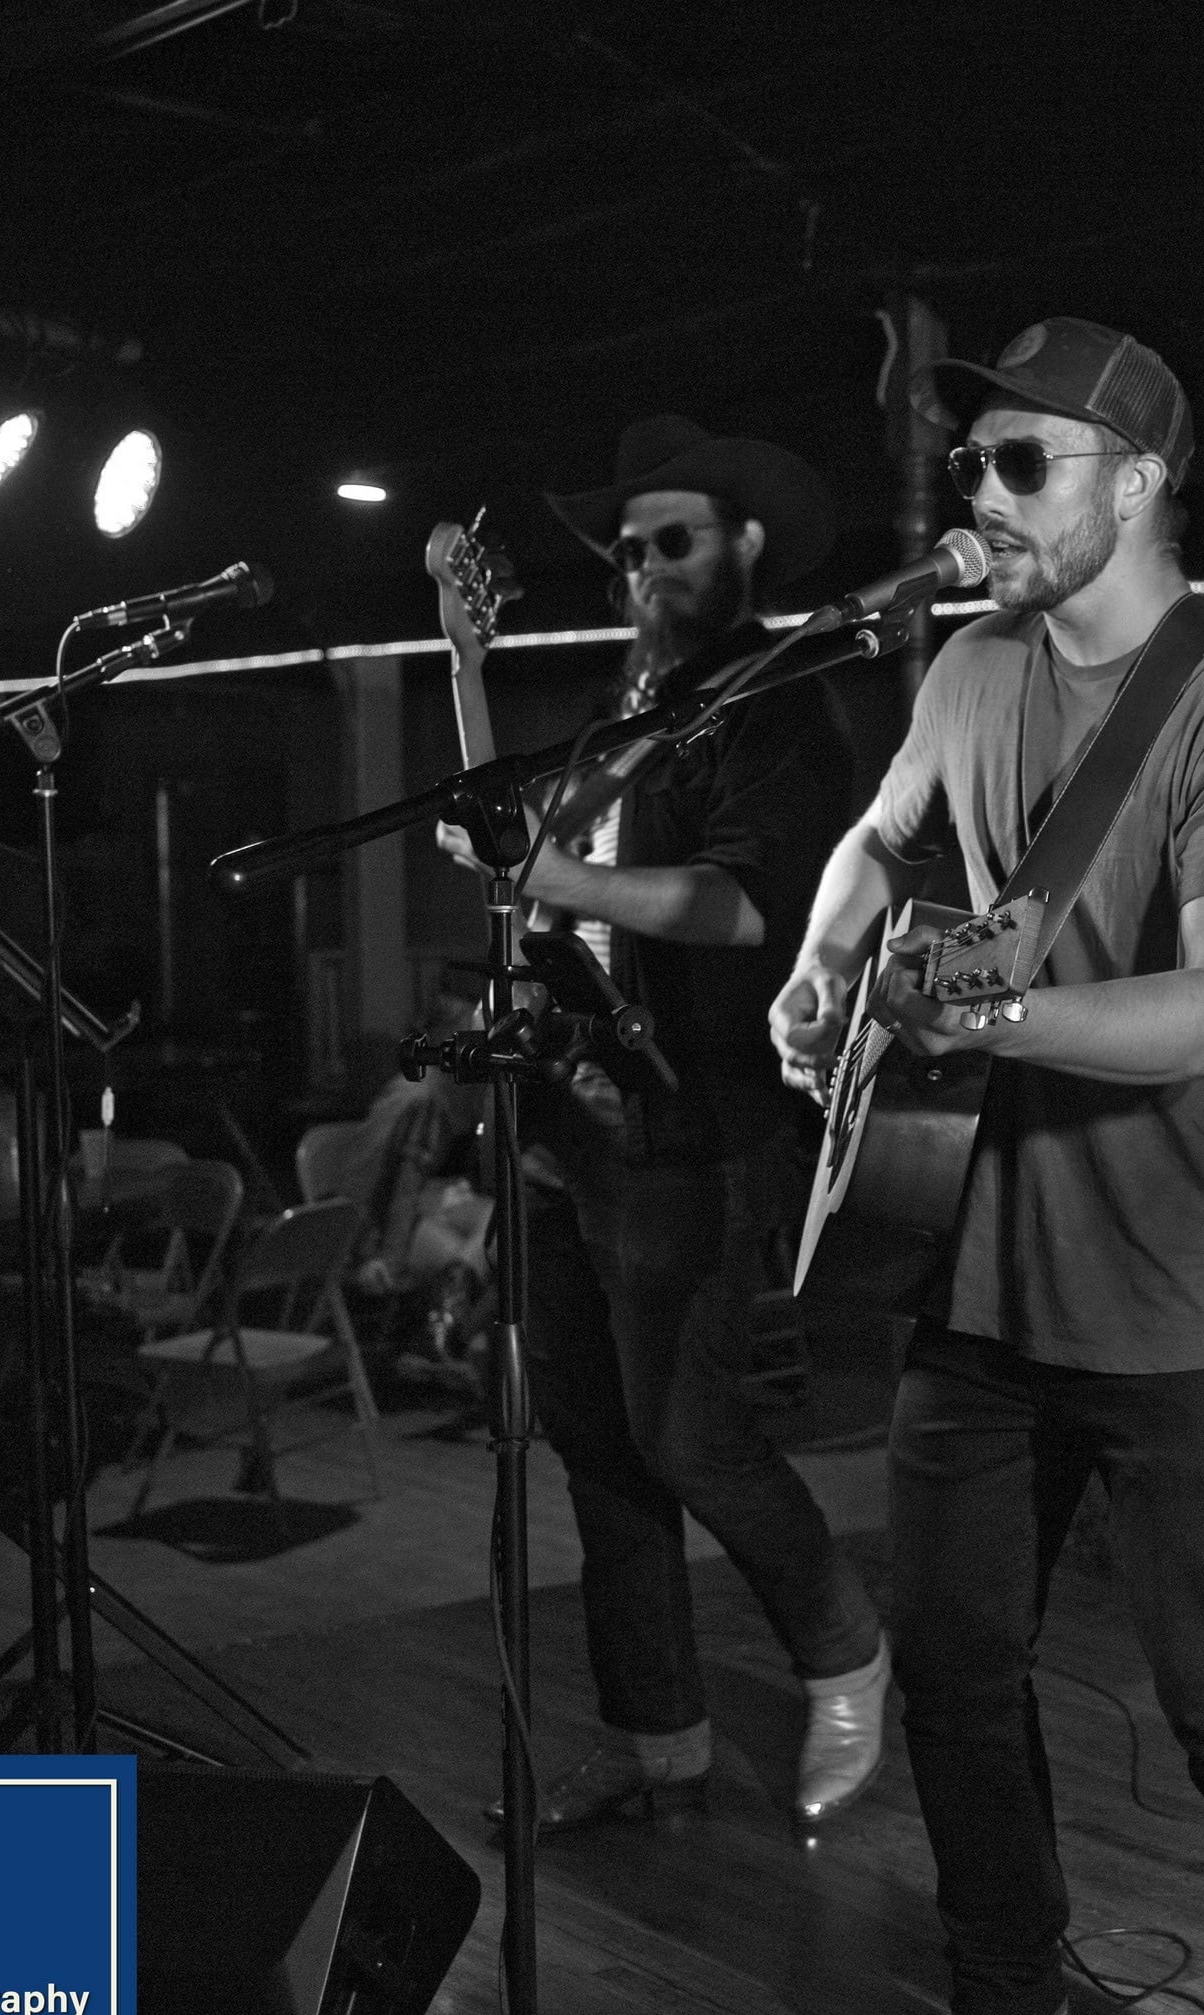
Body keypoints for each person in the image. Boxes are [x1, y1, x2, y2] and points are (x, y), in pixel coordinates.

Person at [768, 320, 1204, 2015]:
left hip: (1182, 1297)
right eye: (968, 464)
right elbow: (874, 843)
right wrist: (823, 966)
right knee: (953, 1669)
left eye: (1020, 464)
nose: (981, 496)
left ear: (1135, 484)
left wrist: (972, 1018)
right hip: (980, 1279)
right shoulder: (971, 668)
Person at [436, 415, 887, 1834]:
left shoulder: (778, 700)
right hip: (571, 1116)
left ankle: (844, 1654)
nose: (643, 567)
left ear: (744, 544)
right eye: (628, 550)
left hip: (694, 1121)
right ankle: (657, 1736)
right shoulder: (626, 714)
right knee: (597, 1447)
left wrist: (561, 880)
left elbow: (748, 906)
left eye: (671, 540)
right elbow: (511, 843)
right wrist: (464, 666)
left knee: (693, 1437)